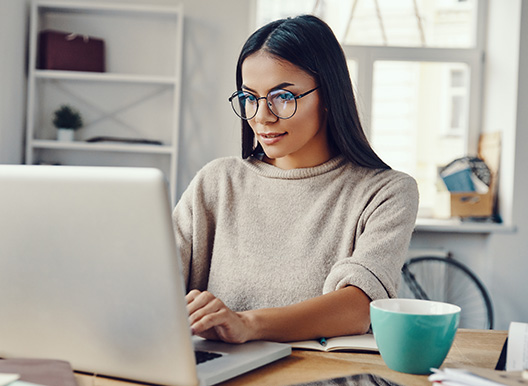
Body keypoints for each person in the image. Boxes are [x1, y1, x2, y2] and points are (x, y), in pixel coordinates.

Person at [172, 15, 419, 344]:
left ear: (328, 96)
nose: (262, 116)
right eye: (249, 98)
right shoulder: (217, 182)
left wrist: (248, 324)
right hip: (218, 382)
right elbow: (157, 279)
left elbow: (358, 307)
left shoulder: (386, 192)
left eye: (282, 97)